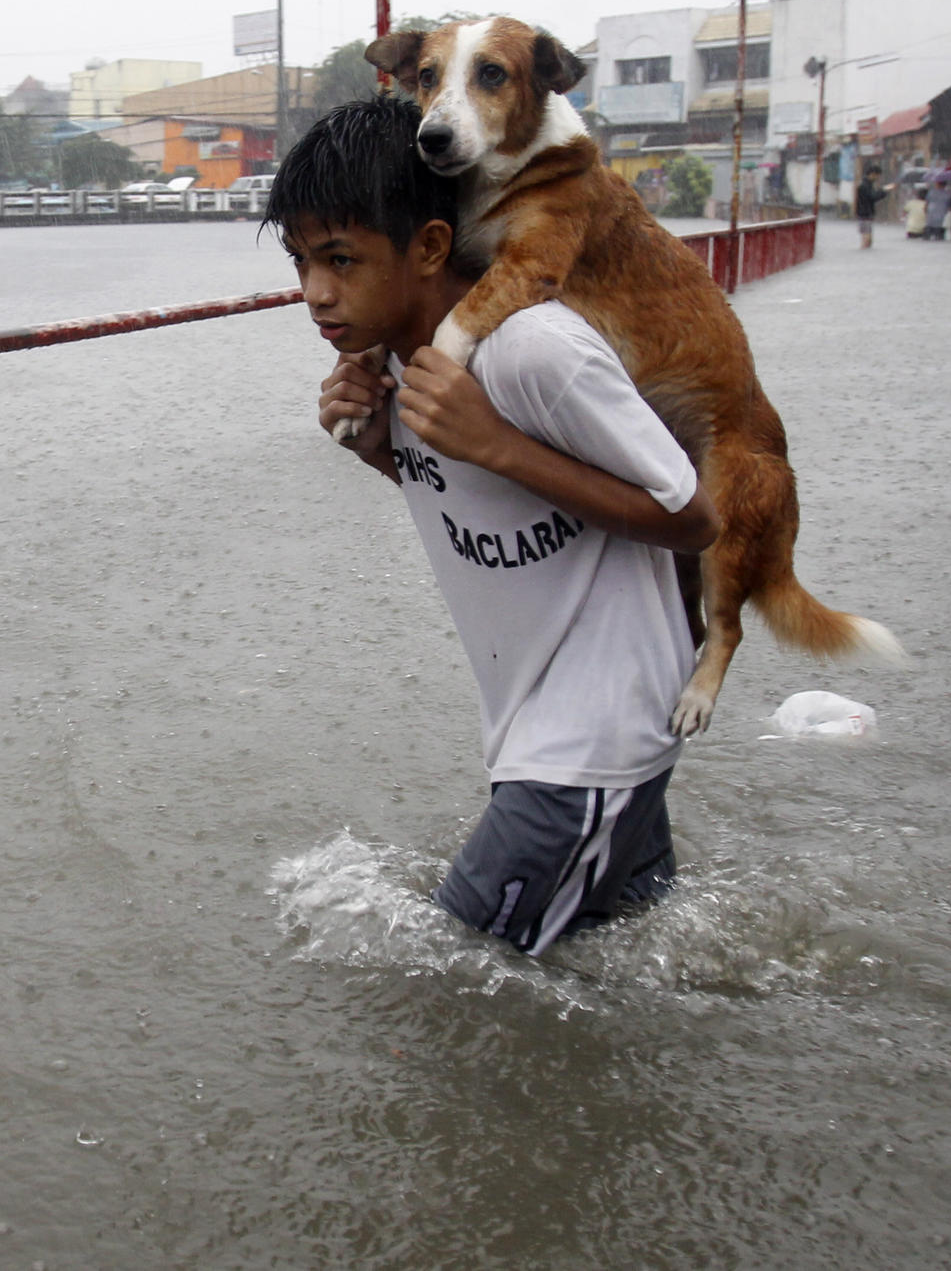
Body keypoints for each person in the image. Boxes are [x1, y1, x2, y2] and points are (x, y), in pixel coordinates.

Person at [268, 97, 720, 956]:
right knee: (627, 968)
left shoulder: (532, 349)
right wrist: (375, 446)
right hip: (555, 726)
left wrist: (499, 443)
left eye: (340, 259)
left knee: (451, 981)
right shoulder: (397, 362)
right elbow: (475, 498)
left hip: (588, 740)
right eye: (300, 261)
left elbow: (691, 516)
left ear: (431, 245)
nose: (316, 293)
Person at [854, 166, 887, 249]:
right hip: (865, 212)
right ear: (873, 174)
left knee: (865, 234)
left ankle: (864, 249)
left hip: (863, 212)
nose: (878, 178)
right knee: (867, 235)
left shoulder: (865, 184)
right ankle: (864, 249)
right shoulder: (865, 185)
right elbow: (872, 197)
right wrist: (882, 192)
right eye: (878, 176)